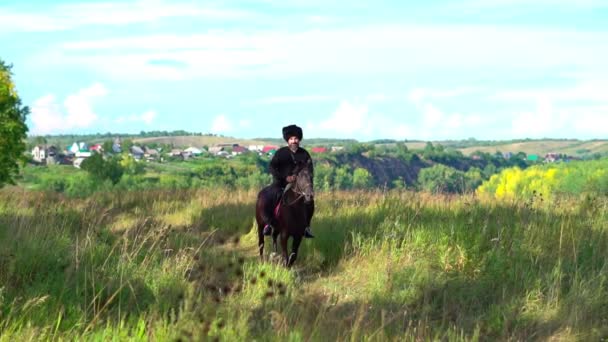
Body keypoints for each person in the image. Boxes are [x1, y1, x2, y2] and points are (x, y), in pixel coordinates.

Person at [262, 124, 315, 238]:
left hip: (299, 185)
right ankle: (269, 225)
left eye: (296, 138)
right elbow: (272, 167)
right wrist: (285, 177)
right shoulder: (281, 153)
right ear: (288, 140)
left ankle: (306, 227)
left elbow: (310, 170)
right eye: (291, 139)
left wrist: (307, 184)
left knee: (310, 201)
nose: (294, 141)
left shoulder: (304, 154)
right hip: (280, 182)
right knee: (272, 196)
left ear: (299, 139)